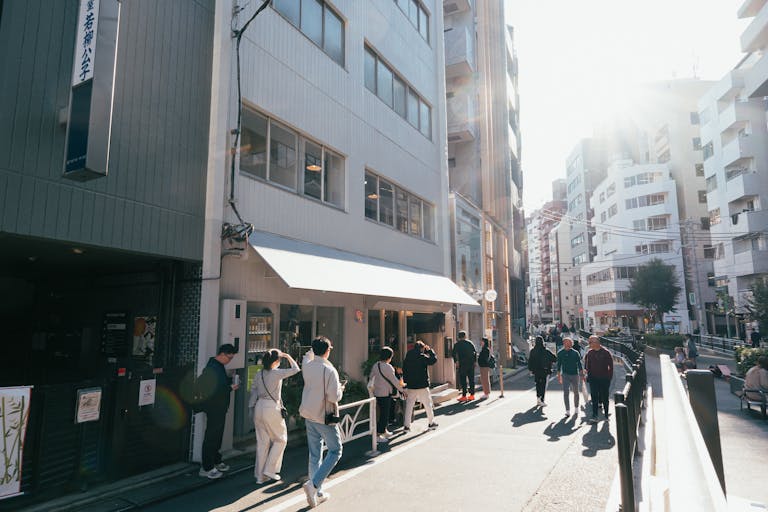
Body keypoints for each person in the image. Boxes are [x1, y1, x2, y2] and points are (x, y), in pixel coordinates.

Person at [300, 336, 344, 508]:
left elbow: (307, 357)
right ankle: (314, 485)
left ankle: (316, 492)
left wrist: (311, 352)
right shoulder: (329, 370)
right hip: (323, 416)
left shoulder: (308, 366)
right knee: (335, 450)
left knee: (315, 453)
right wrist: (340, 389)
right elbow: (334, 396)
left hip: (308, 413)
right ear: (327, 351)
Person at [249, 349, 299, 484]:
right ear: (276, 361)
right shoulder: (277, 373)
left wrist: (251, 408)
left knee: (262, 443)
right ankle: (270, 470)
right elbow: (296, 369)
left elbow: (253, 390)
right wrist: (288, 355)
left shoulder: (258, 373)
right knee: (280, 439)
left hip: (258, 407)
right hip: (271, 407)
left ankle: (260, 476)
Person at [197, 343, 239, 479]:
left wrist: (229, 380)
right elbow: (214, 389)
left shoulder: (218, 366)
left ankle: (216, 460)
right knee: (211, 436)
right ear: (222, 354)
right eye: (229, 358)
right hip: (214, 407)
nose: (230, 361)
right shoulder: (212, 368)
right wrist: (230, 387)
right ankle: (207, 467)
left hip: (219, 407)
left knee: (217, 435)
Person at [370, 347, 406, 443]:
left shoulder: (375, 365)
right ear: (389, 357)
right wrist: (402, 390)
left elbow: (371, 378)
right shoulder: (388, 367)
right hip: (385, 393)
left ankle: (384, 431)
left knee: (383, 413)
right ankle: (378, 434)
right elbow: (394, 381)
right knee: (384, 415)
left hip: (377, 393)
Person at [402, 340, 438, 431]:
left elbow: (404, 370)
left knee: (409, 405)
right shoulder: (422, 356)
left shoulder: (408, 357)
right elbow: (433, 360)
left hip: (411, 385)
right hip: (422, 385)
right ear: (422, 348)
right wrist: (430, 351)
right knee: (427, 404)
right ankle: (431, 422)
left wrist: (406, 383)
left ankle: (406, 426)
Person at [584, 335, 613, 423]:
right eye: (589, 342)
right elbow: (587, 365)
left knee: (605, 397)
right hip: (593, 378)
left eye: (591, 342)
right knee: (594, 396)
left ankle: (606, 414)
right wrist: (587, 375)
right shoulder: (589, 353)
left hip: (604, 378)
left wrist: (609, 378)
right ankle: (595, 415)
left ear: (597, 343)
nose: (589, 344)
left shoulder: (606, 352)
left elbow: (611, 367)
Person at [556, 337, 584, 416]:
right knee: (566, 393)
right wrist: (559, 376)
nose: (567, 344)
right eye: (565, 342)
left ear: (571, 343)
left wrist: (581, 374)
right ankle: (567, 410)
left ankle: (576, 408)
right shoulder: (560, 353)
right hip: (565, 375)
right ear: (563, 343)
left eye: (569, 342)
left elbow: (579, 364)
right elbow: (559, 365)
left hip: (575, 375)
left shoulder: (575, 353)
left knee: (576, 392)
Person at [528, 336, 556, 407]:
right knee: (543, 385)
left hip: (536, 370)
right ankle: (541, 399)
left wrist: (530, 370)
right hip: (545, 370)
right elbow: (554, 358)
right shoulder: (546, 351)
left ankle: (538, 398)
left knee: (537, 384)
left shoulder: (533, 351)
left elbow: (530, 361)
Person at [452, 330, 477, 401]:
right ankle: (472, 395)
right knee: (471, 379)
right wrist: (475, 361)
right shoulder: (470, 343)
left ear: (458, 337)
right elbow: (475, 352)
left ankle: (464, 396)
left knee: (463, 380)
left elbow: (453, 353)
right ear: (465, 336)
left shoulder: (457, 344)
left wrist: (456, 361)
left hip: (462, 364)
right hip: (471, 364)